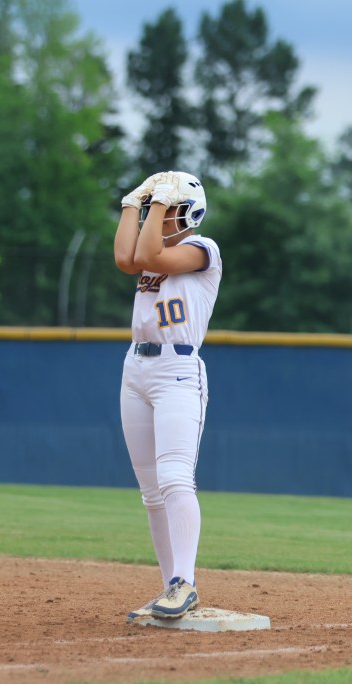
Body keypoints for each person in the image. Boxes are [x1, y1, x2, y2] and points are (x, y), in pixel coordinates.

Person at [113, 170, 222, 622]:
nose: (161, 218)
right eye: (162, 210)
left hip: (177, 369)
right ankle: (169, 587)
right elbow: (126, 258)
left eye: (173, 210)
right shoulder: (152, 248)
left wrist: (156, 201)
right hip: (136, 368)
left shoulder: (203, 249)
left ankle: (185, 582)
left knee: (175, 477)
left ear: (191, 214)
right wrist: (131, 203)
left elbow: (146, 254)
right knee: (151, 492)